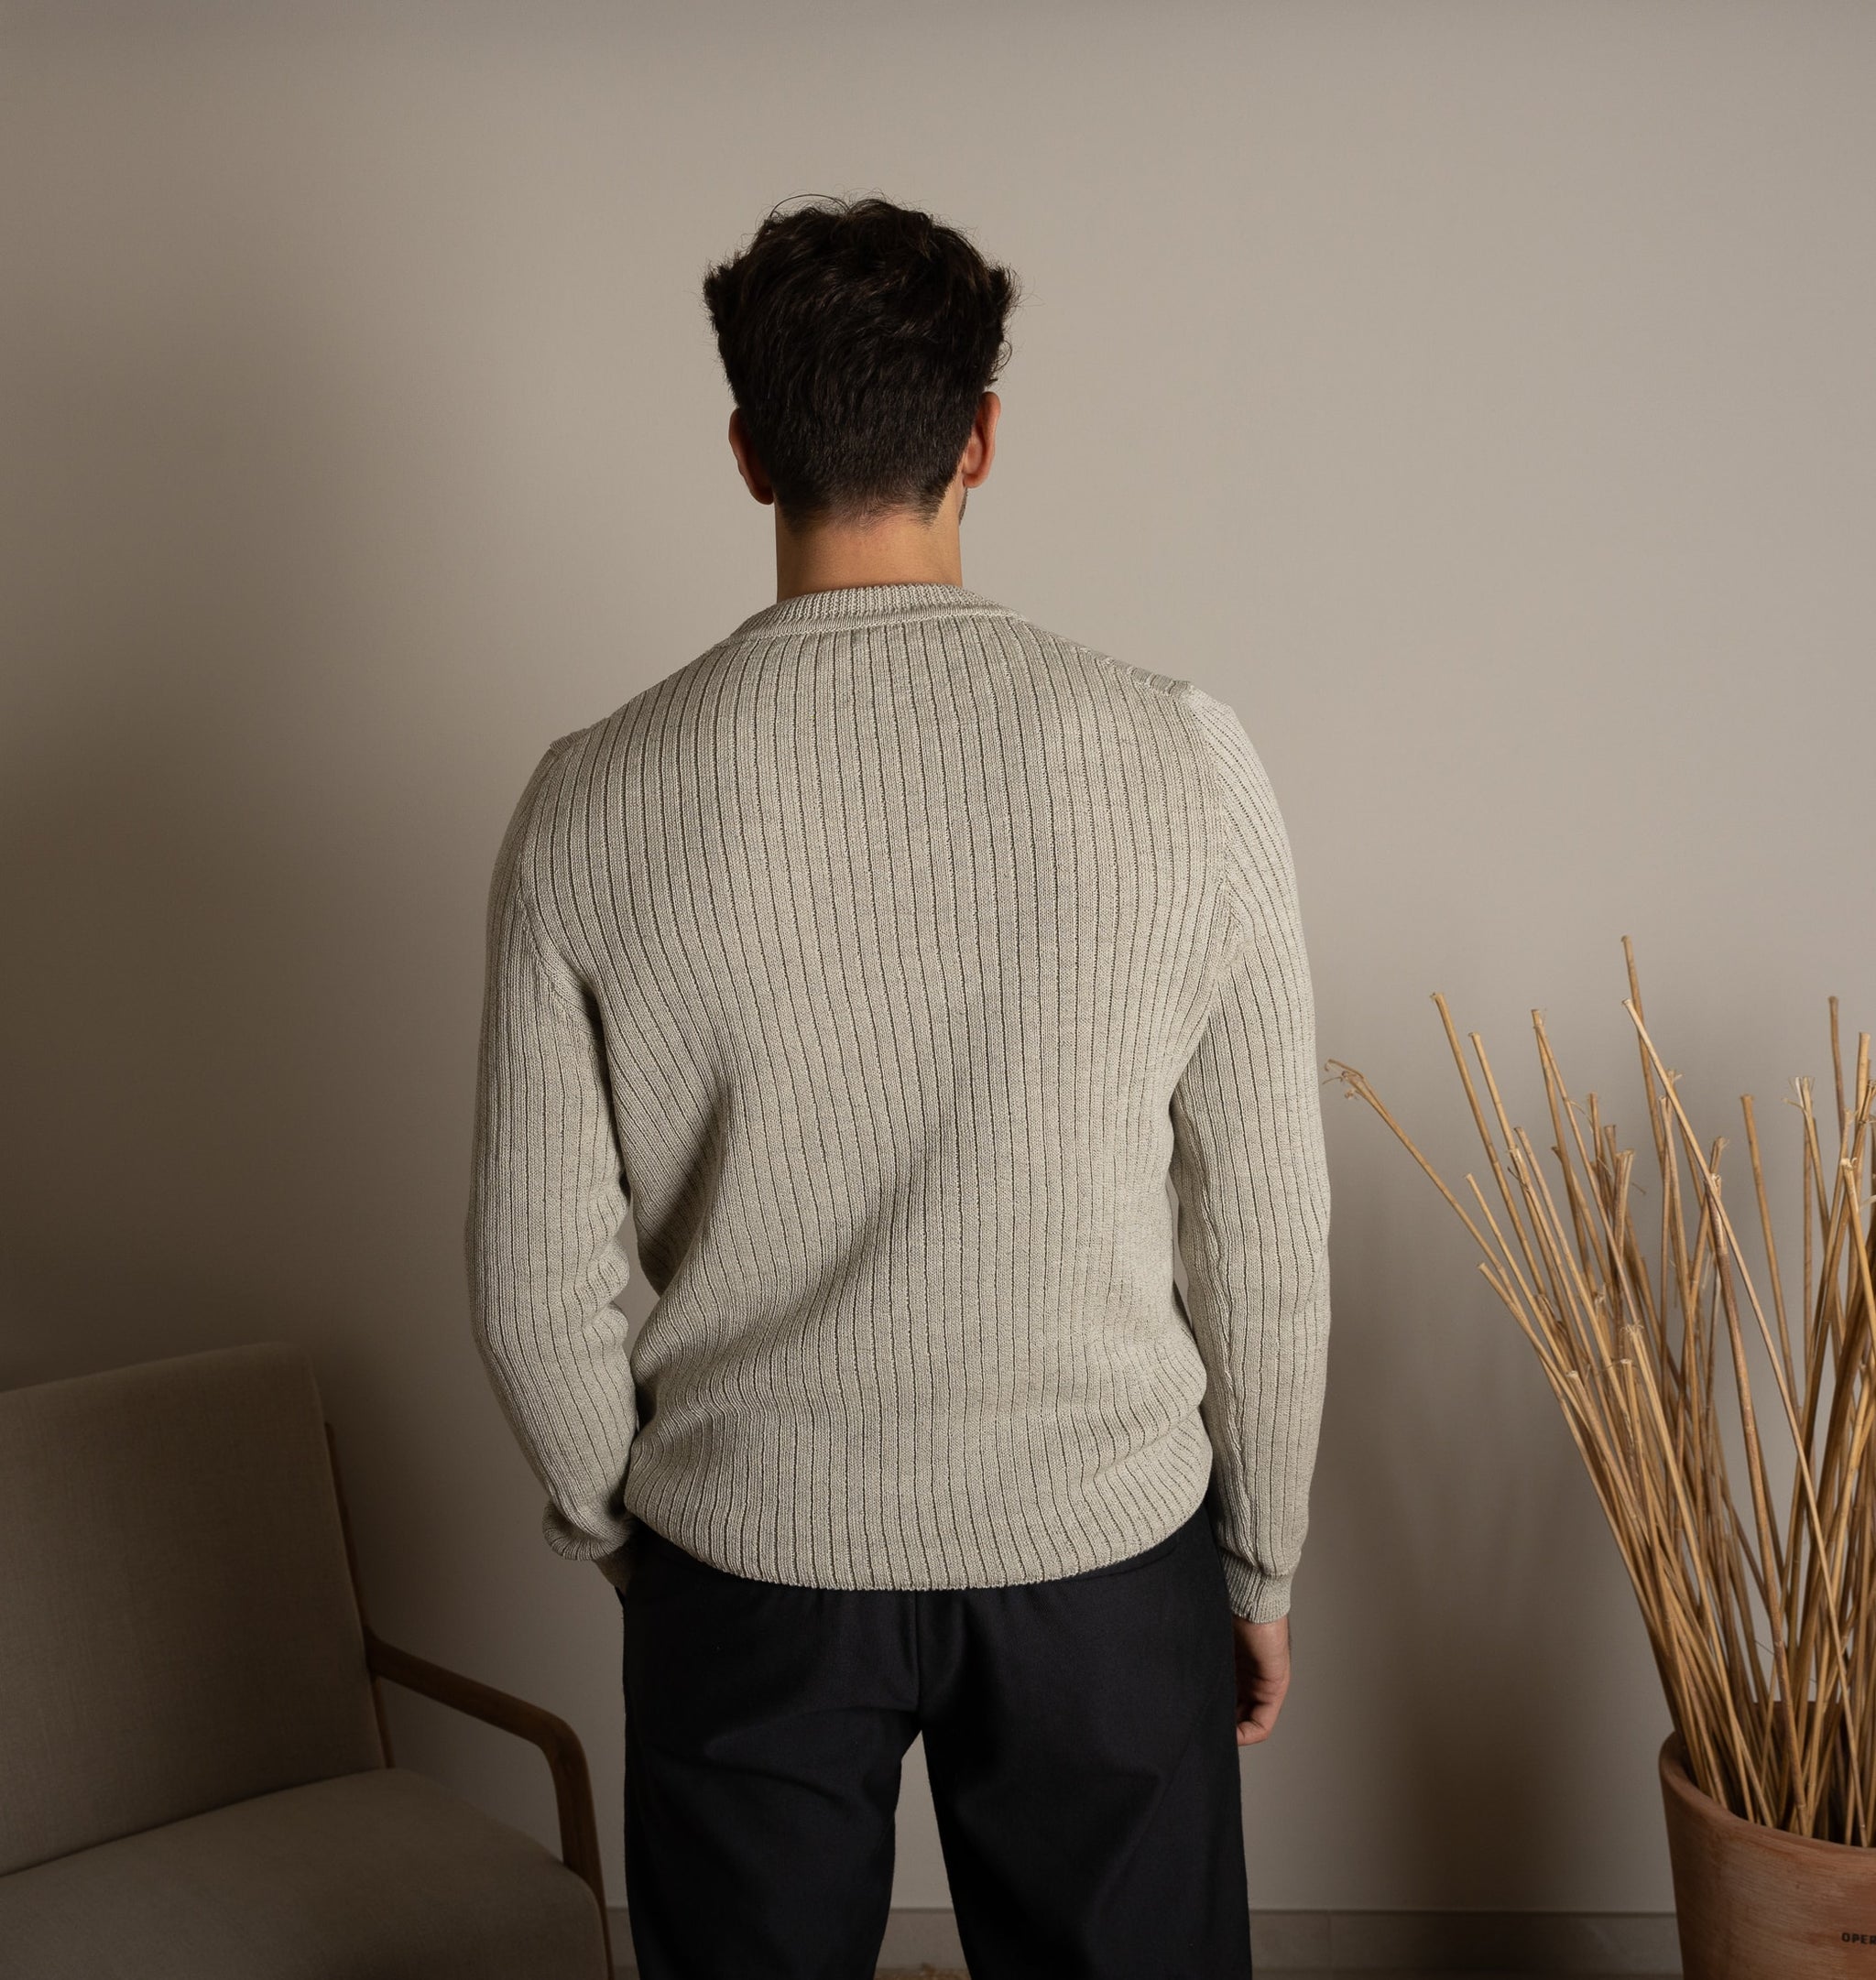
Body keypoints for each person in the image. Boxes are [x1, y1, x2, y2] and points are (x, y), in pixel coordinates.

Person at [466, 193, 1332, 1980]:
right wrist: (1256, 1560)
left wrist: (637, 1538)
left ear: (747, 449)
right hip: (1103, 1552)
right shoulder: (1178, 757)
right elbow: (1260, 1225)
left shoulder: (590, 799)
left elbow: (528, 1284)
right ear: (981, 437)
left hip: (746, 1564)